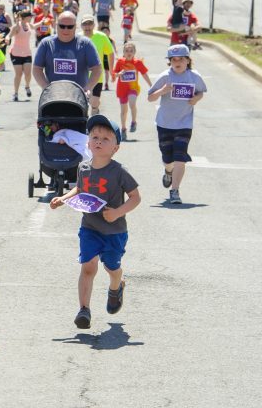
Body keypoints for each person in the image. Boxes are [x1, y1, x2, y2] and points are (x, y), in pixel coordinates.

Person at [49, 114, 141, 330]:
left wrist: (117, 212)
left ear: (115, 148)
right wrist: (63, 198)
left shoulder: (119, 171)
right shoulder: (83, 168)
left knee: (111, 267)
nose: (98, 141)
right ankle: (84, 310)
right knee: (88, 267)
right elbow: (80, 189)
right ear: (88, 142)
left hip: (114, 231)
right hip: (89, 227)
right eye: (95, 137)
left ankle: (117, 285)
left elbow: (136, 197)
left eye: (105, 139)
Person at [147, 44, 207, 204]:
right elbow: (150, 97)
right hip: (165, 123)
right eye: (174, 59)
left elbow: (201, 91)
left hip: (184, 124)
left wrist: (197, 98)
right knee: (168, 158)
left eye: (181, 59)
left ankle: (175, 190)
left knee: (180, 157)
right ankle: (168, 171)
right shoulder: (165, 76)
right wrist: (163, 91)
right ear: (170, 62)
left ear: (188, 60)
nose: (177, 62)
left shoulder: (194, 76)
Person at [33, 11, 102, 93]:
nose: (66, 29)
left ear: (75, 27)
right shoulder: (46, 44)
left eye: (70, 27)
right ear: (56, 25)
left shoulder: (86, 44)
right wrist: (45, 87)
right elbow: (37, 68)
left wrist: (88, 88)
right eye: (62, 26)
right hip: (53, 96)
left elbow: (97, 68)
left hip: (78, 97)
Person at [111, 42, 151, 141]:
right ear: (123, 52)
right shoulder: (120, 62)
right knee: (123, 111)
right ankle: (123, 129)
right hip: (121, 89)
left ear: (134, 52)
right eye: (127, 51)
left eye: (131, 51)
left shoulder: (137, 63)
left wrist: (151, 85)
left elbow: (144, 74)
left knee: (132, 103)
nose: (129, 53)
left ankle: (133, 122)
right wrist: (118, 74)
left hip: (133, 88)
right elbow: (114, 75)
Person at [79, 14, 114, 115]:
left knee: (94, 102)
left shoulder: (101, 37)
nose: (87, 27)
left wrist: (111, 70)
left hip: (97, 76)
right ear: (81, 26)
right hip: (81, 76)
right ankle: (85, 125)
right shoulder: (77, 37)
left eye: (90, 24)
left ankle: (95, 110)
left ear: (94, 25)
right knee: (83, 102)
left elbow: (110, 53)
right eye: (85, 24)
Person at [7, 11, 34, 101]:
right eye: (30, 16)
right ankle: (15, 93)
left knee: (28, 73)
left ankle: (27, 86)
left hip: (27, 53)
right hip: (16, 53)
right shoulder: (17, 26)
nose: (31, 18)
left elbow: (35, 26)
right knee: (18, 74)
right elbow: (9, 35)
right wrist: (7, 39)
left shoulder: (28, 24)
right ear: (25, 17)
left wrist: (42, 22)